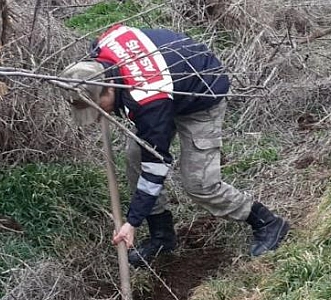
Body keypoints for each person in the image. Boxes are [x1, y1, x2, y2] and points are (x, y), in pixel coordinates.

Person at [60, 24, 290, 266]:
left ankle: (268, 222)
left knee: (200, 183)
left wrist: (132, 221)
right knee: (134, 157)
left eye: (97, 106)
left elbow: (156, 164)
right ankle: (162, 236)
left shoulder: (148, 101)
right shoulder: (99, 51)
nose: (96, 114)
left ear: (108, 87)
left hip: (201, 92)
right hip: (170, 84)